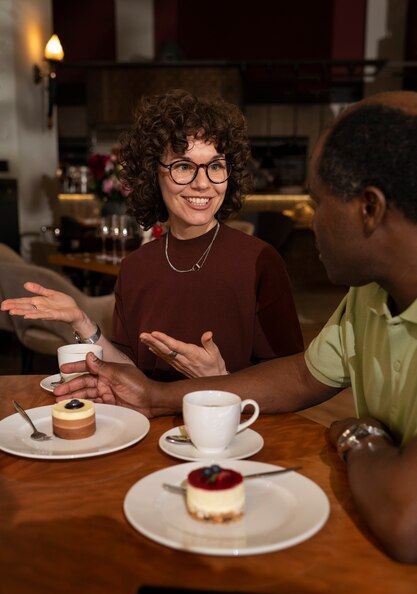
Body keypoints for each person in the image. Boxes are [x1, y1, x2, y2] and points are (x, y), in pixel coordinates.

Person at [55, 90, 417, 564]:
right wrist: (156, 393)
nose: (308, 220)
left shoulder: (259, 261)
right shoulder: (366, 298)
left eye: (315, 202)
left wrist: (357, 434)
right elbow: (300, 376)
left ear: (369, 208)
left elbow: (406, 521)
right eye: (183, 166)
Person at [1, 89, 303, 381]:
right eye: (183, 166)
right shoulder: (135, 268)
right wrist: (81, 321)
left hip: (231, 429)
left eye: (215, 166)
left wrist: (219, 379)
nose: (202, 184)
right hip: (149, 431)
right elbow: (130, 374)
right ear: (151, 173)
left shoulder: (260, 262)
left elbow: (290, 380)